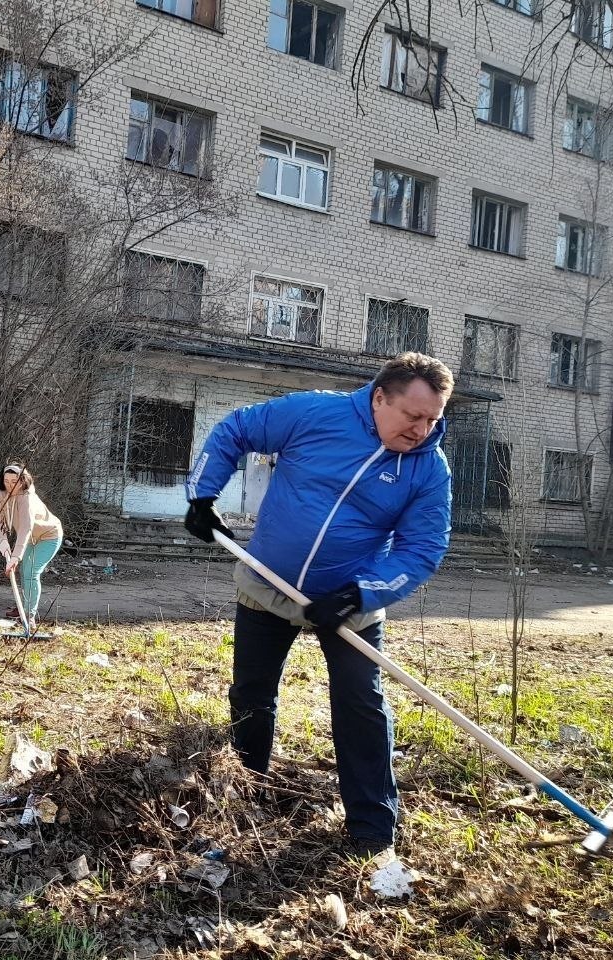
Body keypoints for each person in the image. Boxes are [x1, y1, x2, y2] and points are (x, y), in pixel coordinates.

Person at [183, 352, 454, 858]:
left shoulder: (428, 470)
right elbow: (236, 429)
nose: (422, 430)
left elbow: (423, 548)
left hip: (348, 600)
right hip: (267, 583)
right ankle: (246, 792)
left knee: (361, 705)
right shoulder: (315, 414)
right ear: (379, 398)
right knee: (252, 694)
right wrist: (202, 495)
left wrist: (362, 593)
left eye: (433, 419)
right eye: (413, 416)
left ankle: (373, 827)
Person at [0, 463, 64, 633]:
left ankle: (29, 616)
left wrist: (16, 557)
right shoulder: (1, 492)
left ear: (22, 480)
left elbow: (25, 528)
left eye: (14, 481)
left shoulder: (27, 498)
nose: (10, 485)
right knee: (25, 571)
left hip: (49, 536)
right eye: (7, 481)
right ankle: (23, 607)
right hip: (30, 539)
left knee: (31, 572)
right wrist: (3, 542)